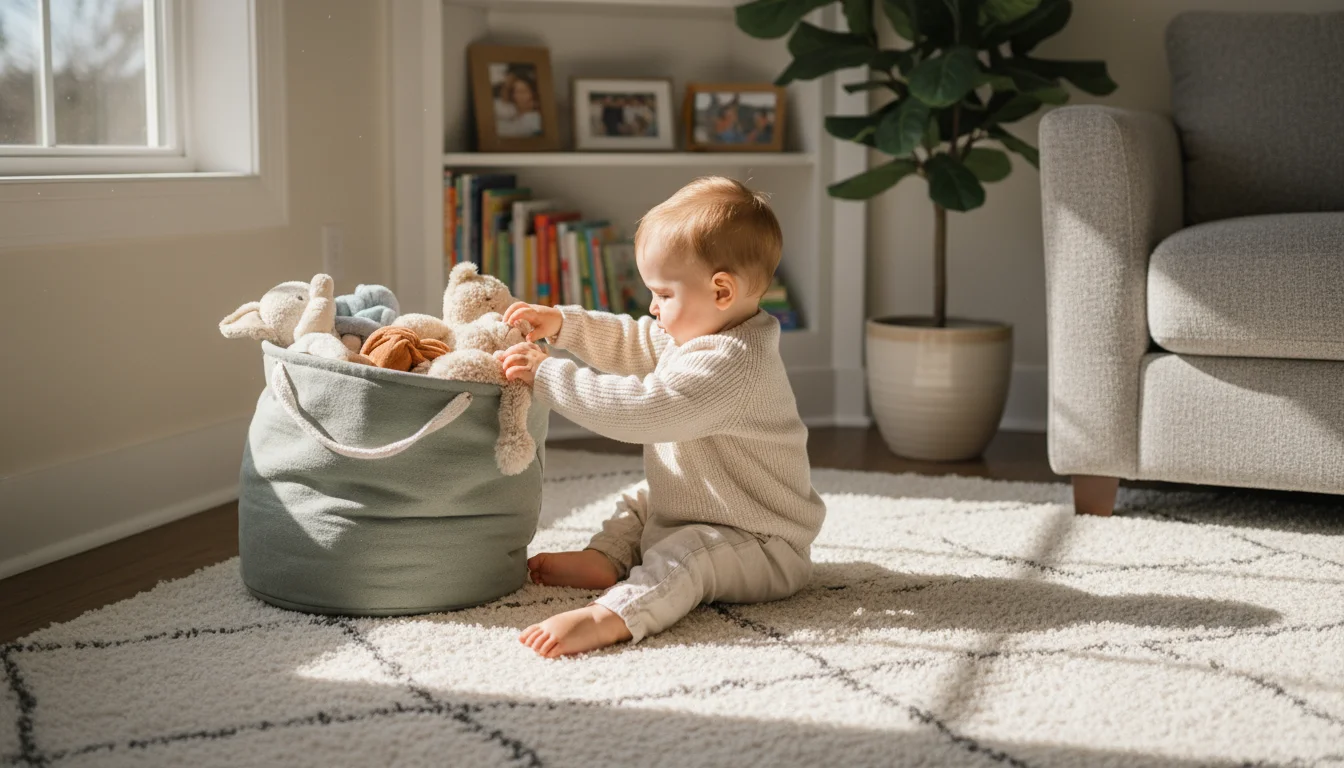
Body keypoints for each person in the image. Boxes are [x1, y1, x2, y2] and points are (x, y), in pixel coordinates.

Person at [496, 176, 825, 658]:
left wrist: (549, 377)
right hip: (701, 505)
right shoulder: (694, 334)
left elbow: (645, 411)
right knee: (642, 502)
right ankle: (605, 558)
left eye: (664, 294)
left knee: (687, 555)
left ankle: (611, 615)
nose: (652, 307)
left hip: (762, 544)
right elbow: (634, 340)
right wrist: (565, 325)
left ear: (721, 291)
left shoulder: (734, 365)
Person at [495, 68, 542, 138]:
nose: (520, 96)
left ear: (532, 94)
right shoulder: (510, 111)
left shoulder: (534, 118)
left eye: (523, 91)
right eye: (517, 92)